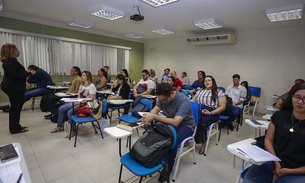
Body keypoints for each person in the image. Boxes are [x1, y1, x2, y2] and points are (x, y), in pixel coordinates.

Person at [243, 83, 305, 183]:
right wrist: (276, 162)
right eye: (297, 97)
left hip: (298, 169)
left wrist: (288, 171)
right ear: (291, 97)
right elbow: (268, 140)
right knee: (248, 181)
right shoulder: (279, 116)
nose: (300, 102)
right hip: (272, 159)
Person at [141, 83, 195, 182]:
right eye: (161, 100)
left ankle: (167, 169)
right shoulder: (163, 97)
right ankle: (154, 158)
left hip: (186, 126)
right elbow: (155, 110)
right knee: (154, 133)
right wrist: (148, 117)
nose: (163, 102)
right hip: (171, 121)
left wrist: (155, 117)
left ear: (171, 93)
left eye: (164, 100)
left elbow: (176, 122)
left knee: (171, 141)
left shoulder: (183, 101)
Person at [50, 71, 96, 138]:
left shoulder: (91, 86)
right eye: (82, 75)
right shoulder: (81, 86)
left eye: (83, 75)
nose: (82, 77)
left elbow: (91, 99)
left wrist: (79, 102)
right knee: (61, 108)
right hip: (79, 103)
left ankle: (73, 131)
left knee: (70, 112)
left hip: (87, 105)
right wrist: (76, 101)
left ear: (87, 77)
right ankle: (59, 126)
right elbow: (79, 97)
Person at [0, 43, 31, 134]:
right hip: (13, 88)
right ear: (11, 51)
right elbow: (14, 75)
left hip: (11, 87)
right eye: (16, 49)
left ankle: (16, 126)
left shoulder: (9, 61)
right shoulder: (12, 61)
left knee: (15, 108)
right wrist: (28, 73)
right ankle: (14, 128)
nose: (19, 51)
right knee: (15, 108)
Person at [192, 75, 226, 154]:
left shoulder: (219, 92)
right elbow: (193, 101)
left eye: (209, 80)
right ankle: (188, 137)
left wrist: (210, 113)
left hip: (213, 113)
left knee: (201, 121)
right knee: (189, 119)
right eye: (205, 81)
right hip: (200, 110)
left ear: (213, 82)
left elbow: (222, 107)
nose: (207, 82)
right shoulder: (200, 91)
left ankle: (203, 142)